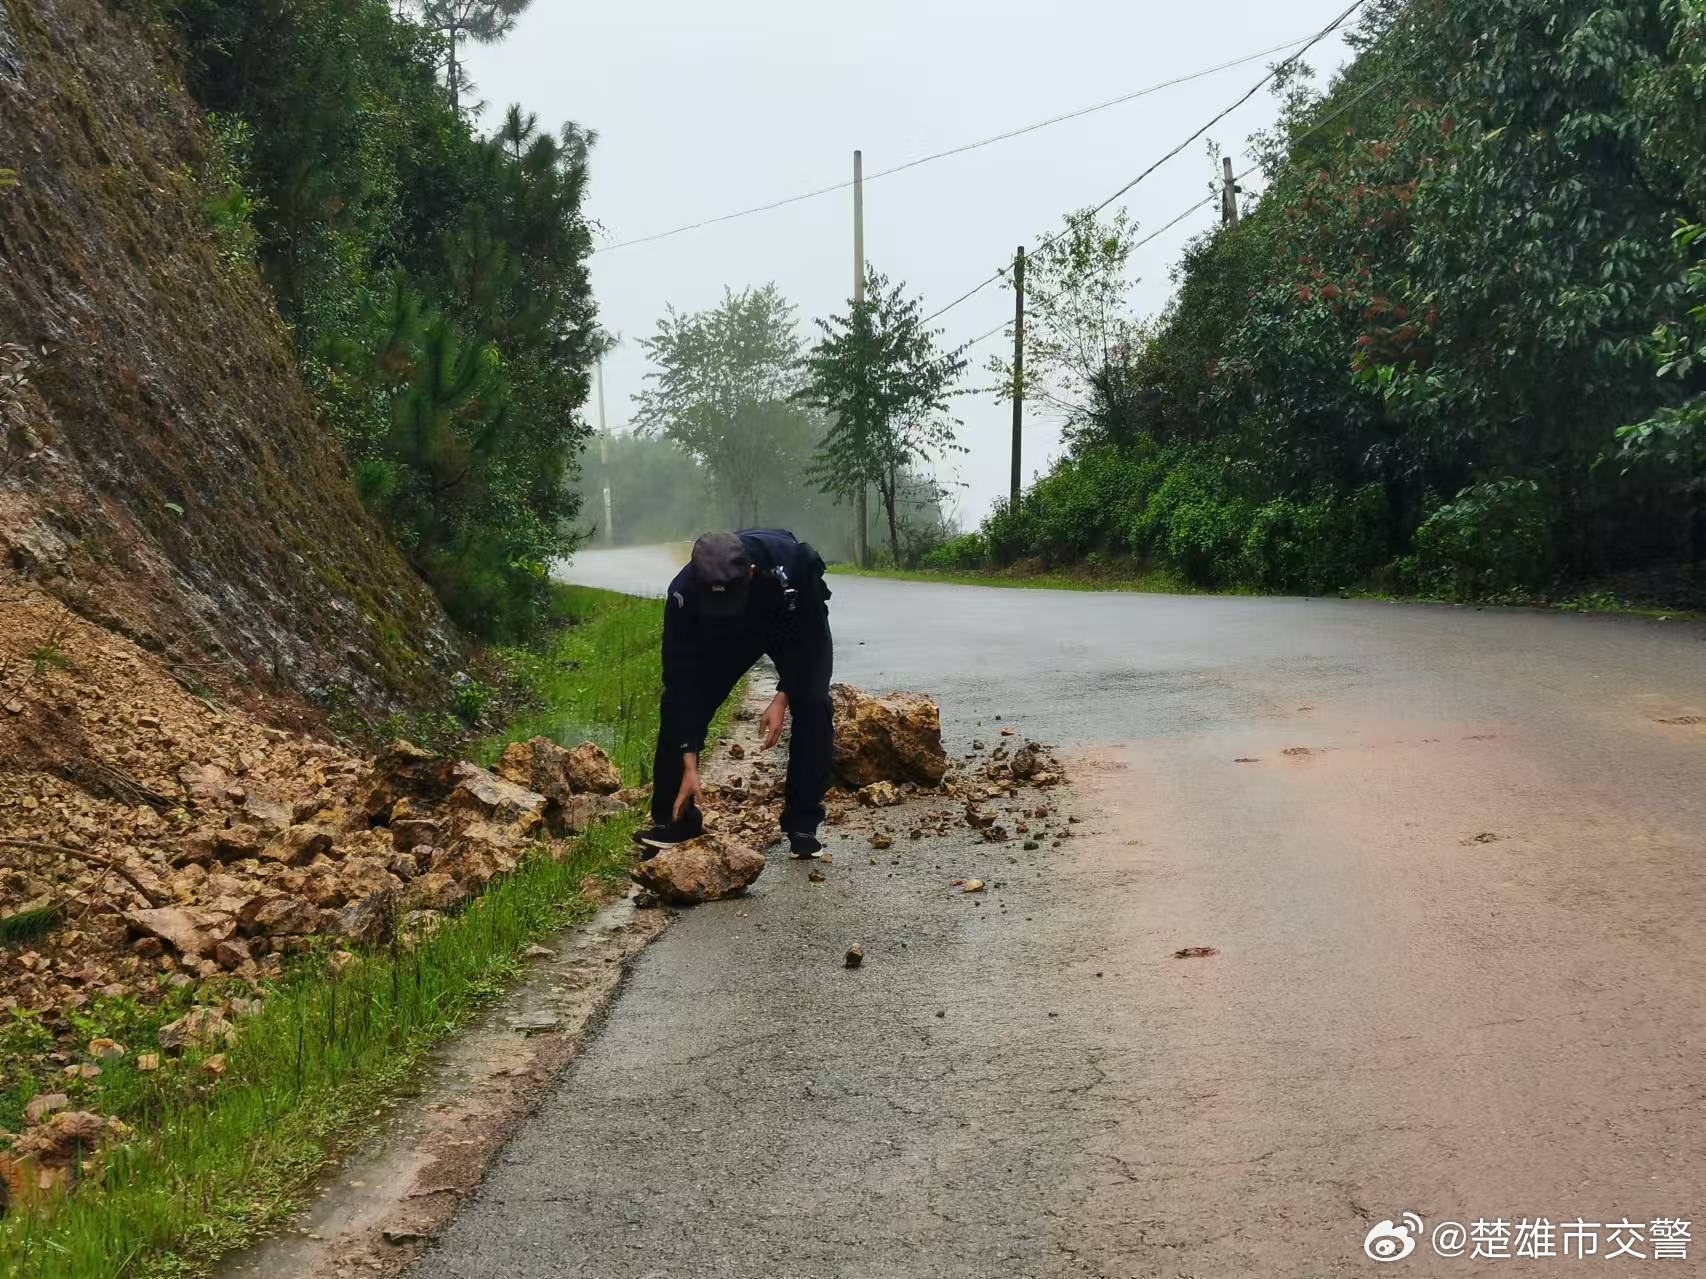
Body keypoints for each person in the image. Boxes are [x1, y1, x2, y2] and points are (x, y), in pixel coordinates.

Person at [635, 529, 834, 859]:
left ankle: (803, 824)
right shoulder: (683, 591)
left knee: (813, 702)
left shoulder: (792, 566)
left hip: (788, 625)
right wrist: (688, 756)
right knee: (676, 708)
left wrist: (783, 694)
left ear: (751, 571)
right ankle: (675, 821)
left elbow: (811, 643)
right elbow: (680, 677)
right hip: (728, 636)